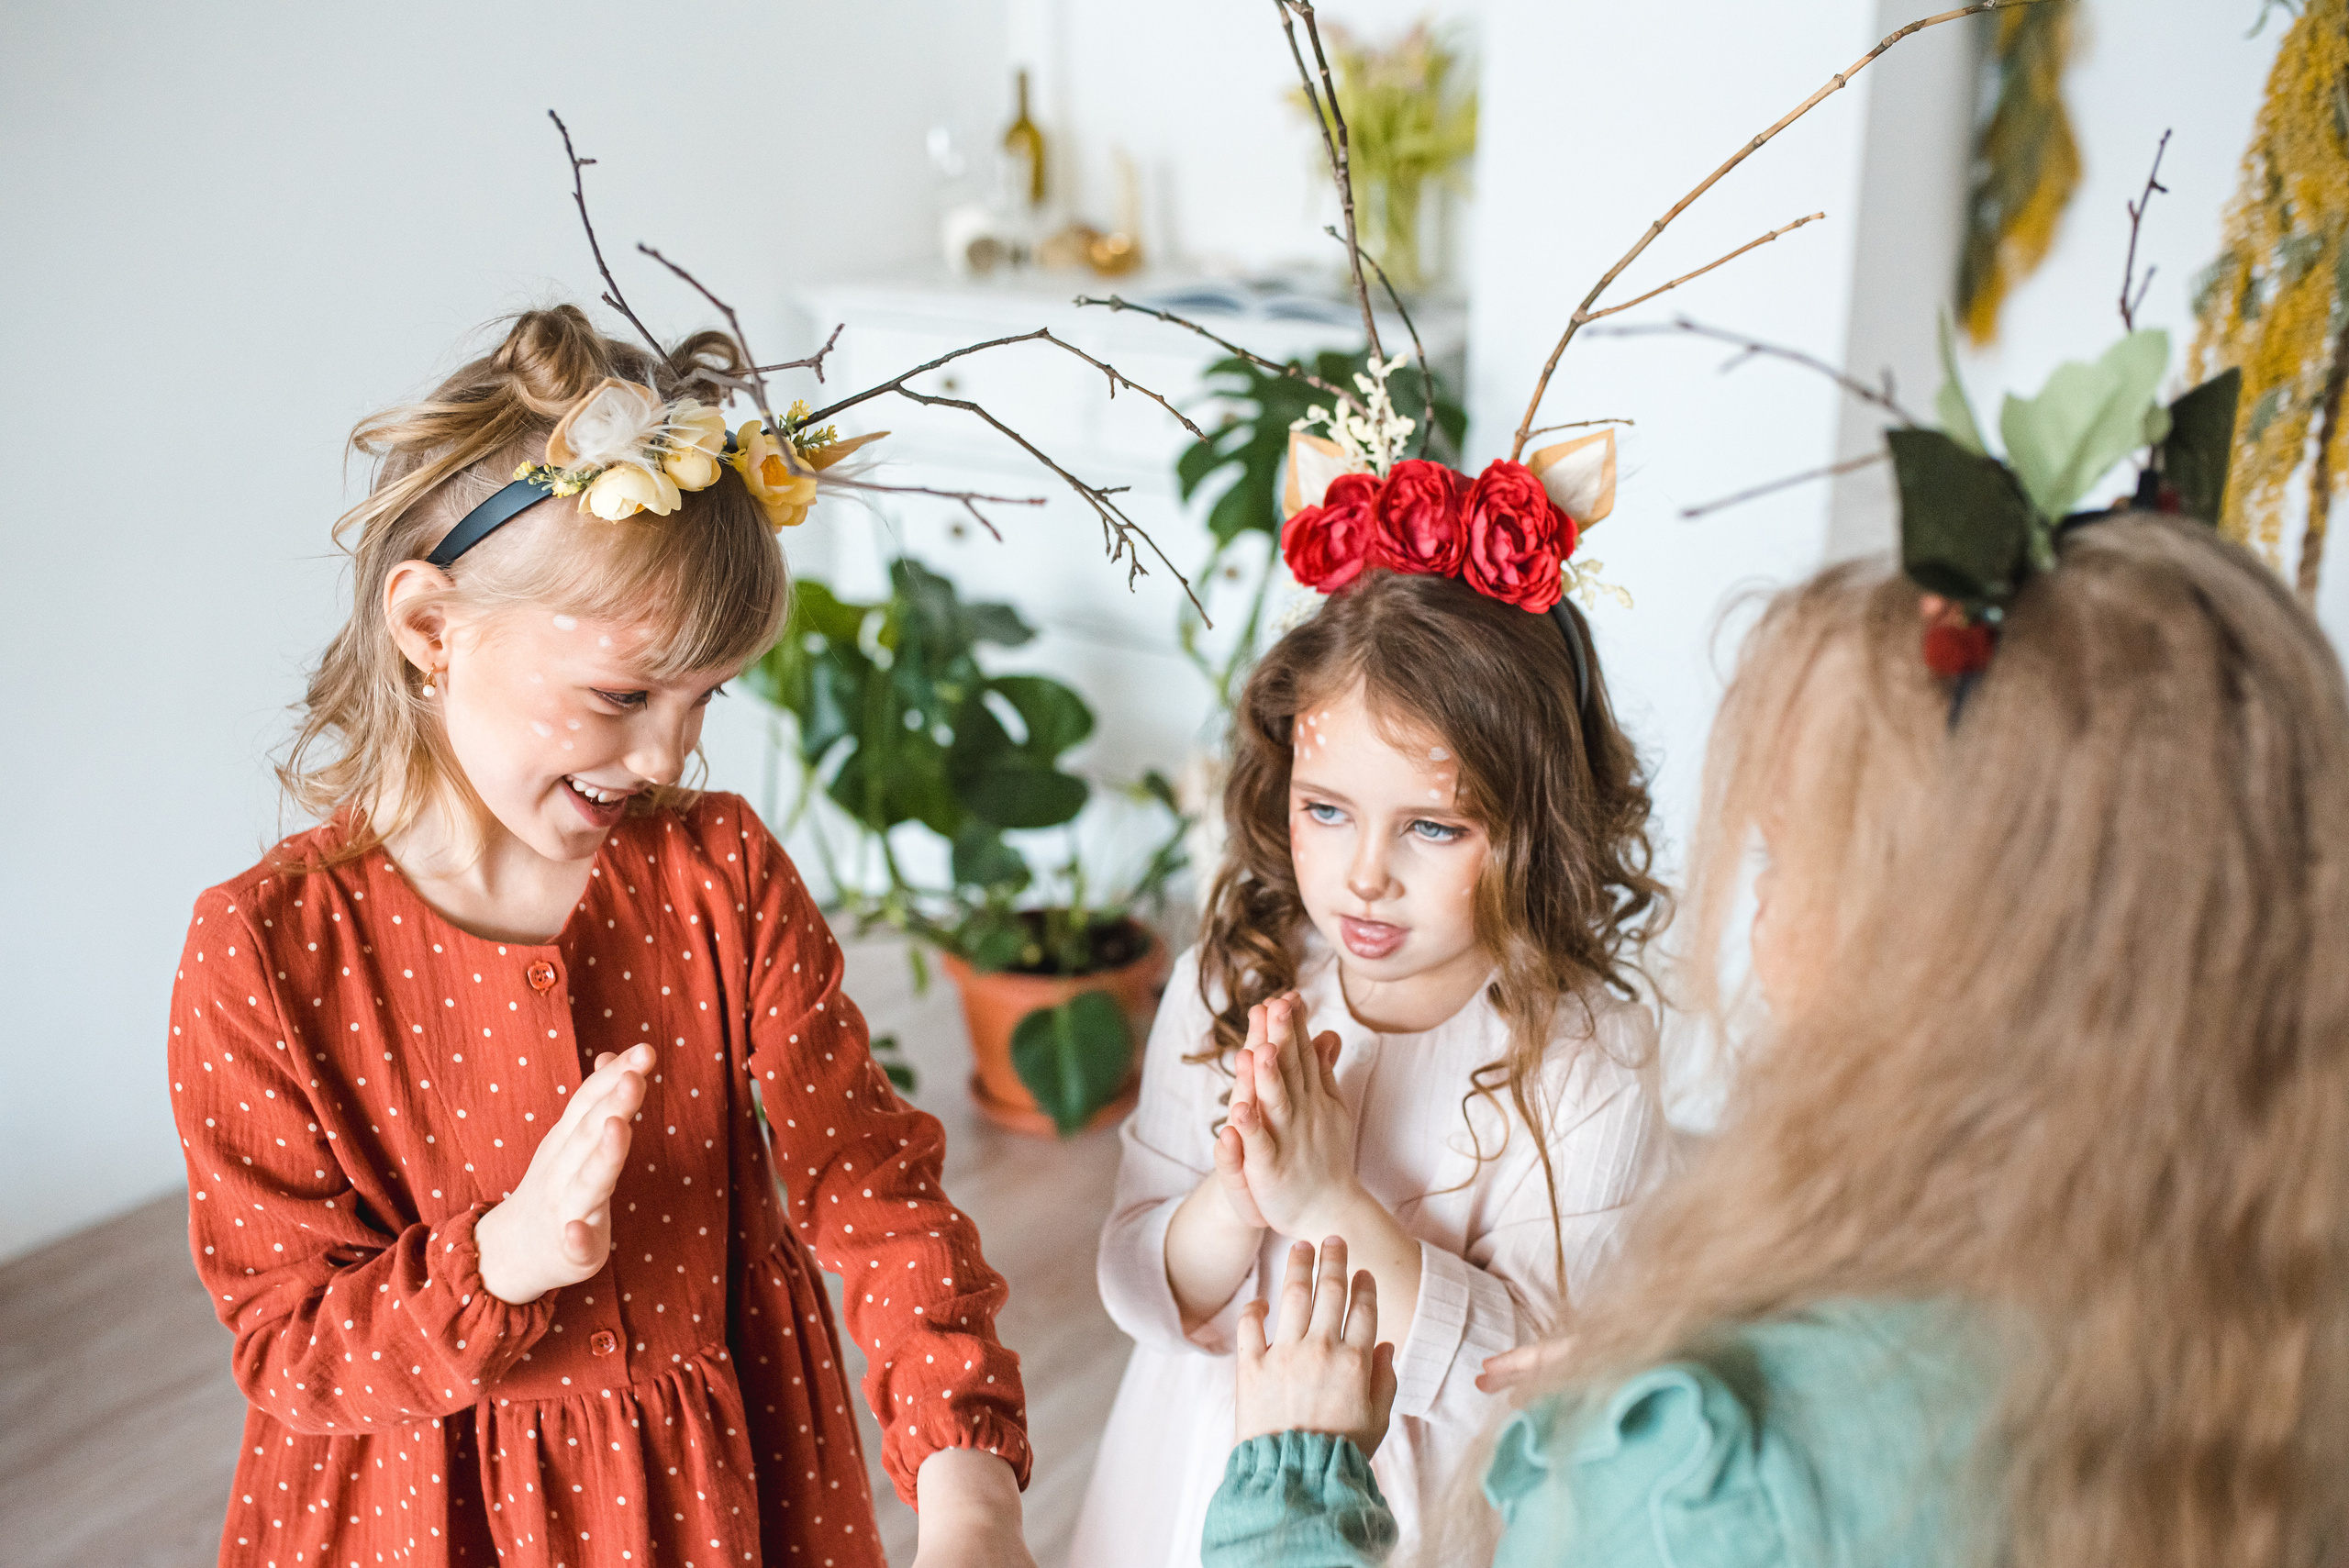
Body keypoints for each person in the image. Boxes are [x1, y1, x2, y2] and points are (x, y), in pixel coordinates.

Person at [1200, 512, 2349, 1568]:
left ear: (1943, 942)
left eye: (1783, 855)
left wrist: (1292, 1490)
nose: (1756, 914)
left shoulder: (1717, 1466)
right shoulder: (2268, 1340)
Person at [166, 306, 1036, 1568]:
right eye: (623, 694)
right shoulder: (265, 950)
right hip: (419, 1523)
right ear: (430, 628)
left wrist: (970, 1493)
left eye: (705, 697)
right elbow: (287, 1342)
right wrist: (501, 1259)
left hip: (722, 1501)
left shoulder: (719, 873)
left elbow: (874, 1186)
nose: (670, 753)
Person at [1072, 495, 1670, 1568]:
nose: (1363, 874)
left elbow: (1537, 1374)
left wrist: (1325, 1203)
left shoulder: (1589, 1059)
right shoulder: (1233, 976)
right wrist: (1236, 1198)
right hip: (1195, 1465)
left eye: (1432, 826)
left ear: (1538, 828)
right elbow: (1138, 1278)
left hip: (1424, 1514)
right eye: (1326, 808)